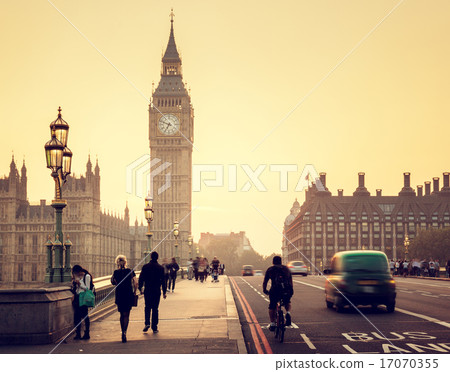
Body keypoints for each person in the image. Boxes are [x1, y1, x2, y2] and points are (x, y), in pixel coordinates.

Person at [262, 256, 294, 331]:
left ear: (273, 262)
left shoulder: (270, 269)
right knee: (287, 302)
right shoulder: (286, 269)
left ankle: (272, 323)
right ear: (281, 261)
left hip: (275, 290)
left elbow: (265, 281)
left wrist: (265, 290)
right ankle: (288, 313)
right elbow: (290, 281)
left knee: (272, 306)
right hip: (286, 290)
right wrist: (291, 290)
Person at [138, 251, 167, 333]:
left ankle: (147, 323)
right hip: (156, 290)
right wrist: (164, 292)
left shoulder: (145, 267)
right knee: (155, 308)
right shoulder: (160, 268)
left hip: (148, 290)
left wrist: (140, 288)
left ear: (150, 257)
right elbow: (163, 281)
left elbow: (141, 278)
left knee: (147, 307)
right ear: (157, 258)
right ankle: (154, 326)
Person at [111, 255, 137, 343]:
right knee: (127, 314)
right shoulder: (130, 271)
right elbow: (136, 282)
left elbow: (112, 282)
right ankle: (125, 332)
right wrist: (134, 292)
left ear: (117, 263)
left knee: (122, 314)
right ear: (125, 262)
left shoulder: (115, 272)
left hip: (119, 294)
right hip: (128, 294)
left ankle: (122, 332)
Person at [71, 264, 93, 340]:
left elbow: (87, 288)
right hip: (77, 297)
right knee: (76, 316)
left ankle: (87, 333)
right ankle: (78, 334)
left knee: (85, 316)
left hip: (83, 297)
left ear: (78, 271)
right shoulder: (77, 277)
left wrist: (79, 284)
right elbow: (76, 288)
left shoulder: (87, 276)